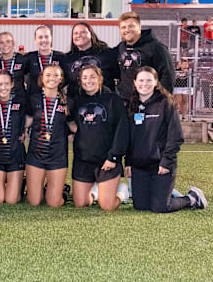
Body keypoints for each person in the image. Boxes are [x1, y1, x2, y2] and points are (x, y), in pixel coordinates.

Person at [126, 66, 207, 212]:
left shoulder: (165, 103)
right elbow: (130, 139)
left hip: (160, 165)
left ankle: (191, 198)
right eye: (141, 80)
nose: (144, 84)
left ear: (156, 82)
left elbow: (176, 136)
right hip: (140, 166)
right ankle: (165, 191)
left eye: (149, 80)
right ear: (135, 82)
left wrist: (166, 162)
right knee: (141, 206)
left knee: (160, 207)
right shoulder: (132, 105)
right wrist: (129, 163)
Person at [67, 66, 129, 211]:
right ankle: (95, 192)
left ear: (100, 79)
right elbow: (74, 126)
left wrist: (113, 157)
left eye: (92, 77)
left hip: (106, 160)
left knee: (107, 206)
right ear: (80, 81)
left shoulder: (113, 99)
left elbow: (122, 130)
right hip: (83, 160)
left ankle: (122, 192)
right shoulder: (77, 102)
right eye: (85, 78)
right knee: (81, 204)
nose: (89, 81)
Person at [24, 65, 68, 207]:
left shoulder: (67, 102)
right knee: (34, 201)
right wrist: (22, 131)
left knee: (54, 203)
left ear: (60, 79)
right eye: (48, 75)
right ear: (42, 78)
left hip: (57, 156)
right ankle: (40, 187)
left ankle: (63, 190)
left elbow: (74, 126)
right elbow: (27, 122)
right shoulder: (33, 99)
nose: (51, 78)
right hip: (36, 154)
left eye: (56, 75)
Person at [0, 70, 27, 204]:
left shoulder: (21, 102)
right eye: (0, 84)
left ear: (12, 84)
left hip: (15, 154)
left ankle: (20, 184)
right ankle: (4, 183)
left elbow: (32, 117)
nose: (3, 88)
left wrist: (25, 129)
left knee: (11, 200)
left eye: (6, 84)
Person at [116, 12, 174, 103]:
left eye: (131, 26)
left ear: (139, 26)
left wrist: (159, 100)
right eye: (123, 27)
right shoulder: (121, 48)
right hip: (126, 103)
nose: (127, 30)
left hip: (149, 103)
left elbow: (167, 75)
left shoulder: (156, 47)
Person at [65, 22, 118, 99]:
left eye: (83, 32)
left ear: (91, 34)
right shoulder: (67, 59)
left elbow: (121, 75)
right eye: (75, 33)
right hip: (77, 104)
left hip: (105, 102)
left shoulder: (107, 53)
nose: (79, 35)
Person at [24, 25, 66, 96]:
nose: (44, 40)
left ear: (51, 38)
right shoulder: (29, 57)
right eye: (40, 37)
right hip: (33, 100)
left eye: (46, 37)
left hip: (55, 99)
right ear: (35, 40)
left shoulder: (61, 57)